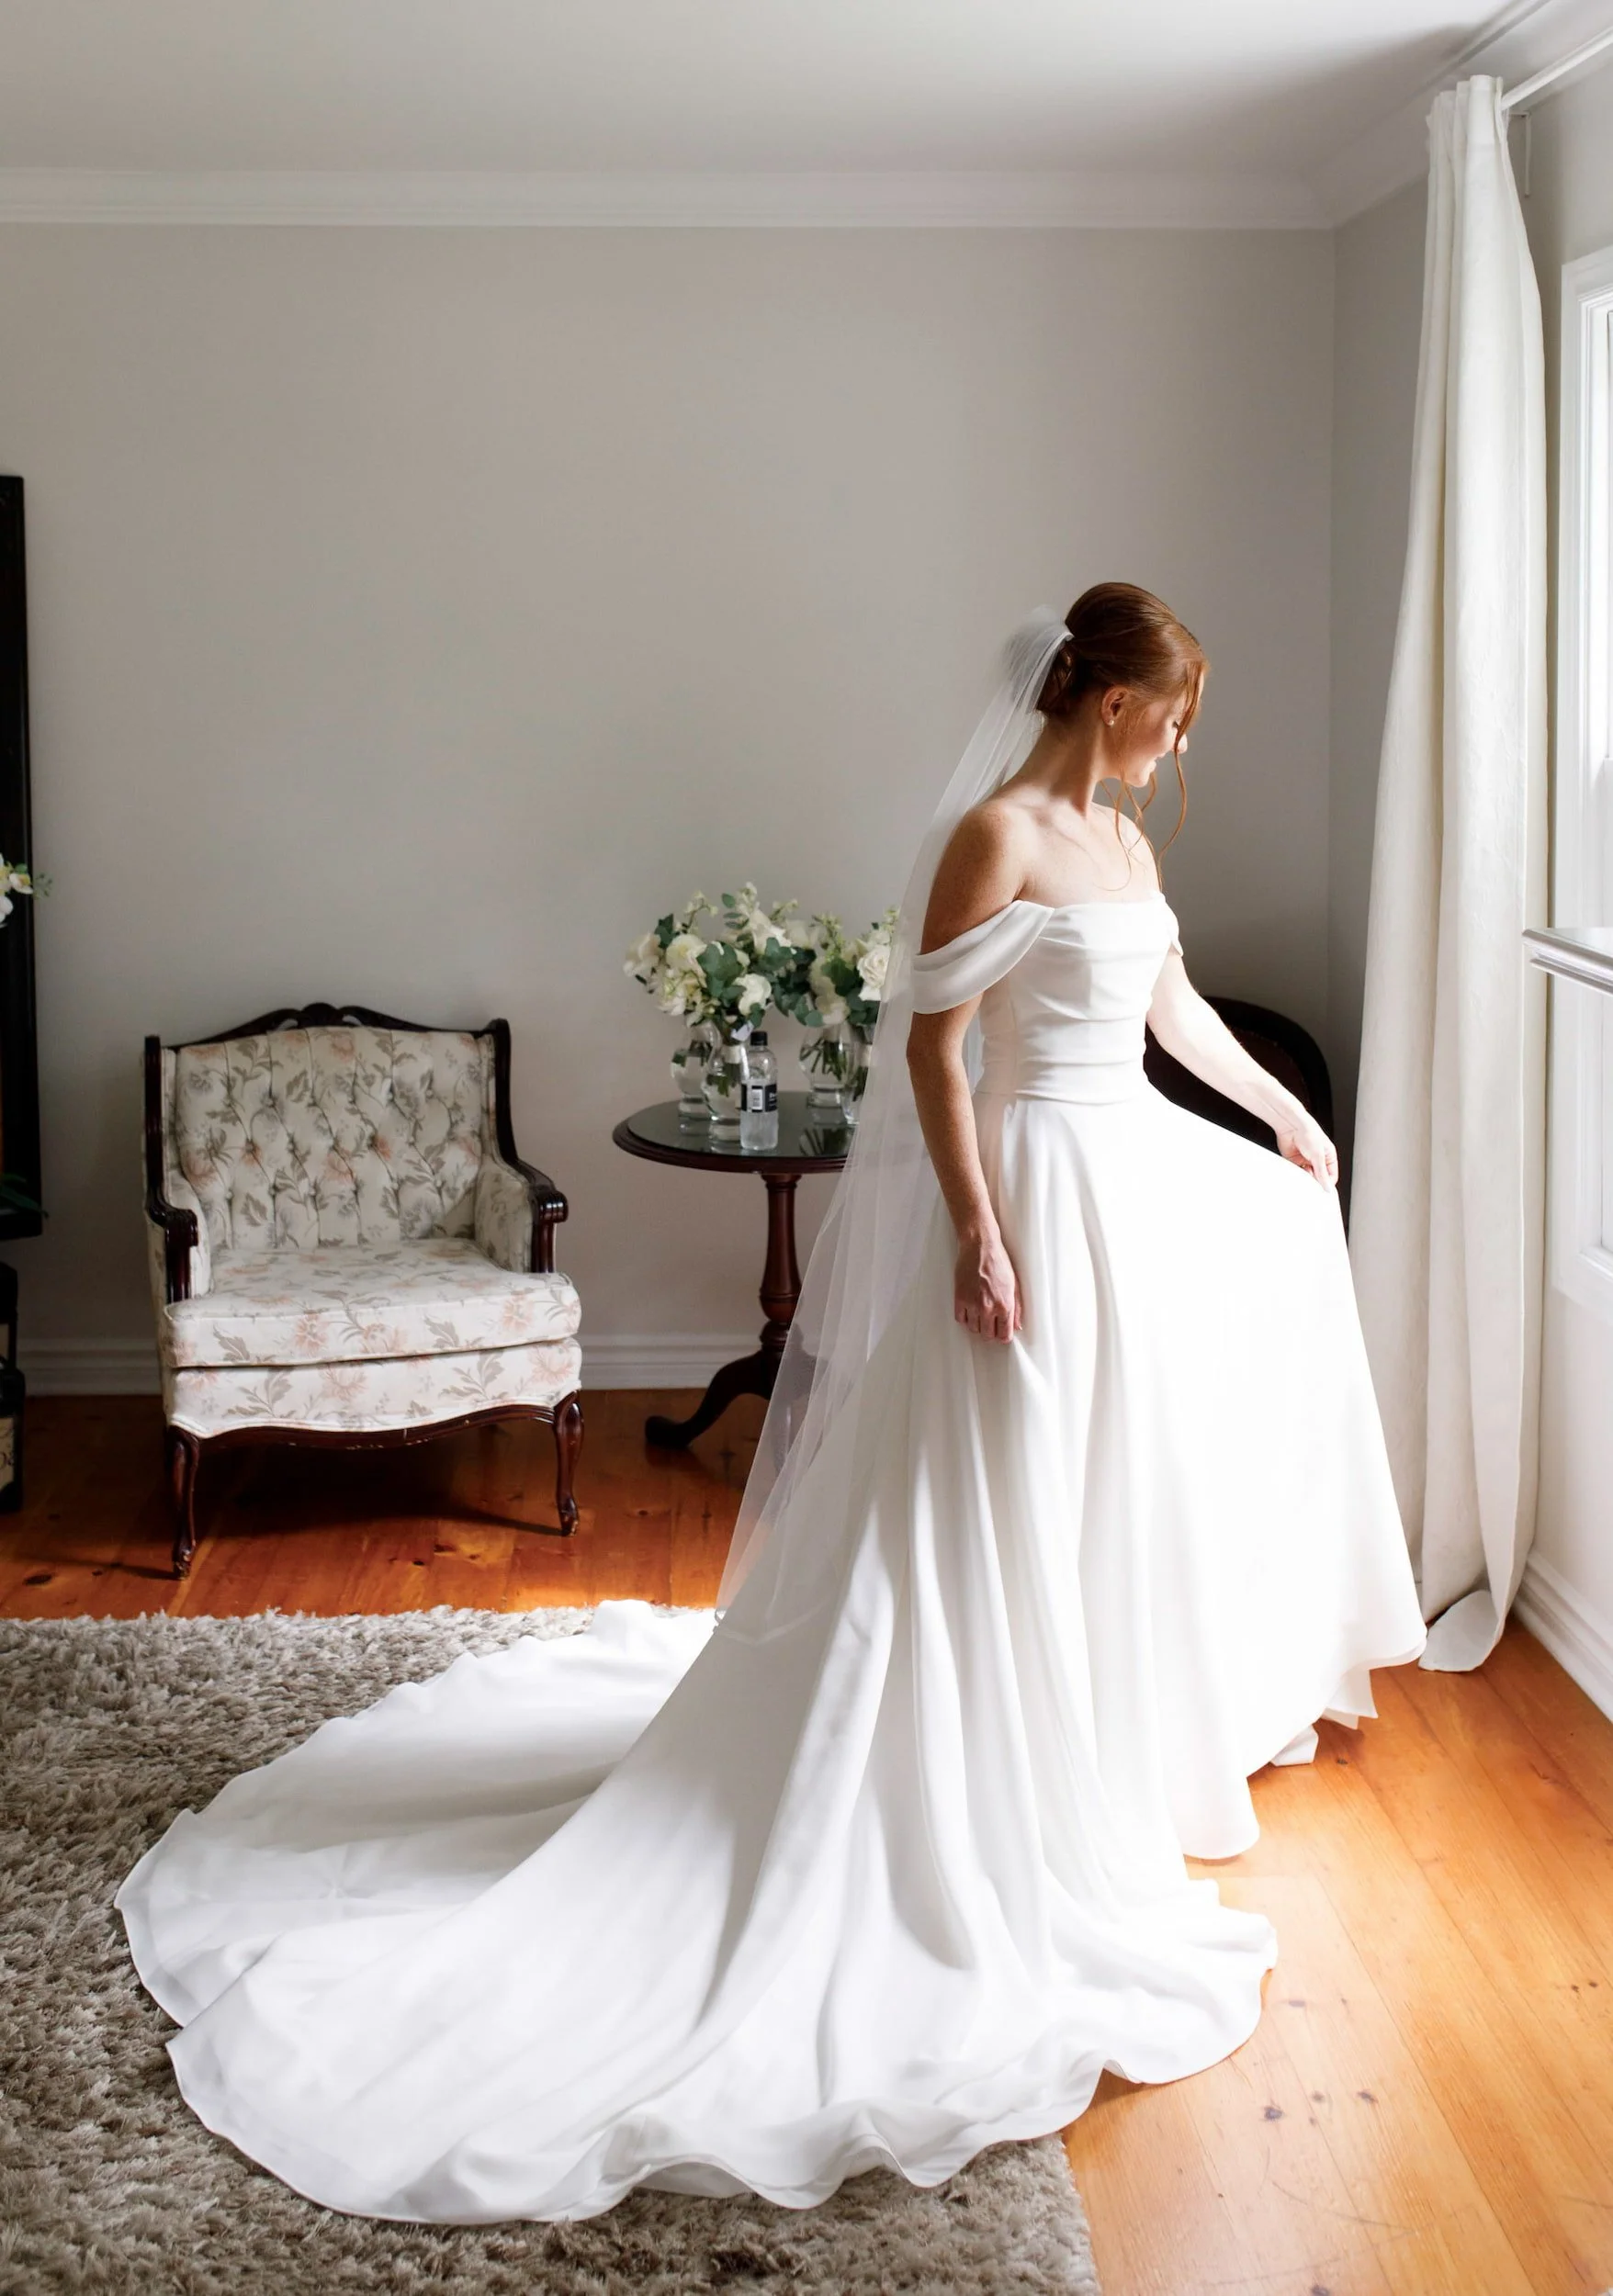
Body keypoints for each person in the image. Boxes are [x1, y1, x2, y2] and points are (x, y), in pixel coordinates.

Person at [117, 585, 1427, 2226]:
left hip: (1130, 1186)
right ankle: (962, 1776)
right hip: (1032, 1187)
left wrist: (1276, 1118)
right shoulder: (997, 835)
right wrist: (980, 1233)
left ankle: (1096, 1745)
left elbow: (1173, 1017)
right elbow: (938, 1056)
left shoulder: (1127, 849)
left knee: (1109, 1469)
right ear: (1113, 705)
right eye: (1177, 714)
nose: (1185, 742)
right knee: (995, 1484)